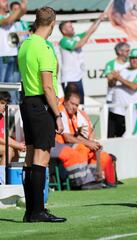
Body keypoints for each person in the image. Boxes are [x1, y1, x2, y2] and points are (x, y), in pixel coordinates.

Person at [18, 6, 66, 222]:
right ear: (53, 23)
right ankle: (38, 210)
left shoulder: (26, 44)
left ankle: (30, 211)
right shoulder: (43, 47)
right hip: (40, 104)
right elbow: (48, 86)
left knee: (29, 159)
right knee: (41, 157)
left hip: (26, 102)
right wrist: (57, 114)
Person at [55, 89, 116, 188]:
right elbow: (67, 138)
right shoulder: (61, 112)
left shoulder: (75, 114)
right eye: (72, 104)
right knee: (81, 149)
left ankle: (101, 180)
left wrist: (91, 143)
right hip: (57, 144)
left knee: (102, 155)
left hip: (67, 144)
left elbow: (74, 135)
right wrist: (88, 143)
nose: (74, 107)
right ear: (65, 101)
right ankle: (83, 182)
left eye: (76, 105)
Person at [59, 14, 104, 104]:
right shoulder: (63, 41)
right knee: (71, 106)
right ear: (63, 30)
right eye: (69, 27)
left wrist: (99, 19)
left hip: (78, 78)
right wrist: (87, 36)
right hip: (69, 79)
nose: (72, 28)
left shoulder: (76, 37)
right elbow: (79, 44)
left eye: (72, 26)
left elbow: (90, 31)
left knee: (80, 105)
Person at [107, 48, 137, 138]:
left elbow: (134, 86)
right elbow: (111, 85)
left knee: (124, 138)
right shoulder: (123, 70)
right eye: (132, 58)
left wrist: (119, 78)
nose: (134, 60)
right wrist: (112, 79)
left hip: (128, 113)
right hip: (114, 110)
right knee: (109, 137)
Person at [0, 0, 27, 103]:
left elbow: (22, 11)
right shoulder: (6, 18)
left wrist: (23, 3)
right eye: (3, 1)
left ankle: (14, 108)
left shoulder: (10, 15)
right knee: (2, 84)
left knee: (13, 85)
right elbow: (7, 21)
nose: (6, 2)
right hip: (2, 56)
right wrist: (20, 8)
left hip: (14, 55)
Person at [0, 91, 26, 166]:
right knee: (9, 150)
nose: (4, 106)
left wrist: (18, 145)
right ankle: (2, 177)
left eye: (6, 104)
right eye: (1, 103)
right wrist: (17, 145)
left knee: (15, 150)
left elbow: (4, 136)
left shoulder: (1, 116)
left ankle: (12, 176)